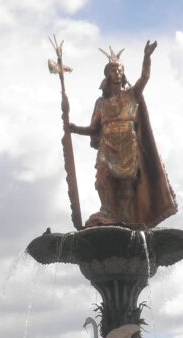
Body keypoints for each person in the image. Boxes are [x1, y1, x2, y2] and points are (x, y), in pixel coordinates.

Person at [67, 40, 176, 229]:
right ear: (107, 75)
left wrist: (146, 57)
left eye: (119, 70)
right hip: (107, 143)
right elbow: (94, 129)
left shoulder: (132, 95)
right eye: (112, 71)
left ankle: (125, 217)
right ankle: (107, 211)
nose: (116, 73)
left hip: (128, 142)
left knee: (126, 184)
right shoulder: (101, 103)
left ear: (123, 73)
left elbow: (145, 77)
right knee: (102, 174)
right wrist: (74, 128)